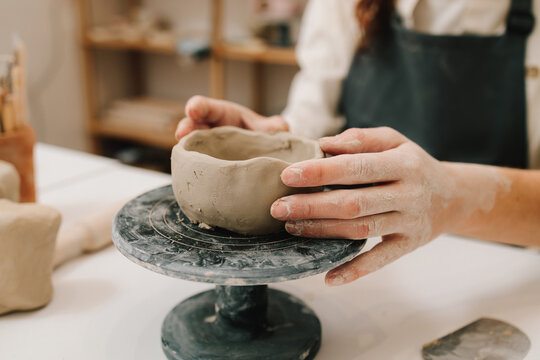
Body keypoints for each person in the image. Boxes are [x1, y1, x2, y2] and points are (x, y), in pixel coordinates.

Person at [175, 0, 540, 286]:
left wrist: (455, 196)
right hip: (364, 260)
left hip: (500, 267)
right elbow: (315, 115)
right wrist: (271, 140)